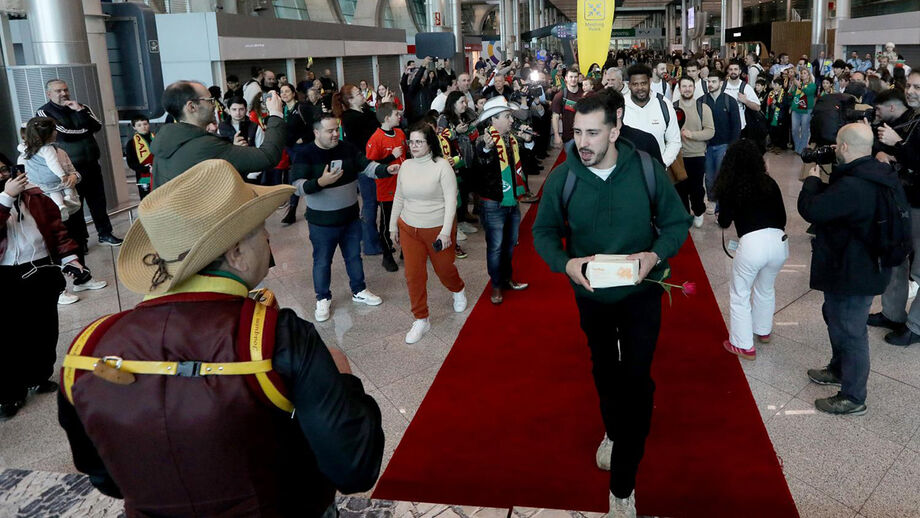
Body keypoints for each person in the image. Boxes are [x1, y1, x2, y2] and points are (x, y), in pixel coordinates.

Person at [57, 160, 384, 515]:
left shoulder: (87, 350)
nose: (270, 237)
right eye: (260, 230)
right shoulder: (274, 336)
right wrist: (345, 383)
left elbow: (106, 479)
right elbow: (354, 467)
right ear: (237, 254)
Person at [532, 91, 691, 518]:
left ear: (615, 130)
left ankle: (623, 485)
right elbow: (543, 233)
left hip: (642, 294)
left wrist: (654, 255)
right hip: (593, 298)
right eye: (577, 132)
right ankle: (614, 429)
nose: (583, 141)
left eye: (593, 132)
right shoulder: (565, 177)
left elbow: (676, 223)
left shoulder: (644, 169)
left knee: (637, 379)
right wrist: (567, 264)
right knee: (605, 369)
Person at [798, 123, 901, 415]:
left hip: (857, 271)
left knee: (852, 329)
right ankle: (838, 368)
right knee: (834, 315)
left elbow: (812, 209)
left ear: (843, 147)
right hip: (856, 263)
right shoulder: (875, 172)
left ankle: (854, 397)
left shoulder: (854, 186)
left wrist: (812, 180)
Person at [0, 165, 99, 419]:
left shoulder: (36, 196)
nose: (4, 175)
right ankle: (10, 393)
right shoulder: (7, 199)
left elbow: (58, 232)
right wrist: (6, 199)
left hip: (42, 269)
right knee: (10, 338)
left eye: (4, 169)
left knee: (45, 327)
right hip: (7, 276)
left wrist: (71, 260)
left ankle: (39, 375)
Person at [291, 114, 397, 322]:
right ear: (316, 133)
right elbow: (296, 187)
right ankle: (322, 297)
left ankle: (359, 289)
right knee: (322, 261)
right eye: (329, 131)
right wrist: (320, 182)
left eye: (336, 129)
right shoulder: (305, 153)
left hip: (350, 218)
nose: (334, 135)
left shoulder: (347, 147)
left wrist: (386, 169)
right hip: (322, 223)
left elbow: (367, 166)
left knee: (353, 256)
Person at [389, 124, 467, 343]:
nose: (413, 146)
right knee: (413, 275)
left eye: (418, 142)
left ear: (430, 144)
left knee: (444, 270)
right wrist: (393, 225)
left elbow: (451, 201)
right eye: (411, 142)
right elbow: (399, 197)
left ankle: (458, 288)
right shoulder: (405, 166)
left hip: (437, 229)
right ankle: (421, 319)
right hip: (409, 228)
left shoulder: (442, 166)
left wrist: (445, 233)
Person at [714, 140, 788, 360]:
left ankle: (743, 344)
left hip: (752, 244)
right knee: (766, 288)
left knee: (740, 293)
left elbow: (725, 221)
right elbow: (783, 217)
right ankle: (763, 331)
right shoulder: (769, 182)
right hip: (779, 243)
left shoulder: (731, 185)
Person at [36, 79, 122, 248]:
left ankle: (105, 234)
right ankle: (80, 241)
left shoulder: (81, 107)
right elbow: (62, 134)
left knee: (98, 202)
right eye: (59, 91)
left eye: (65, 90)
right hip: (71, 168)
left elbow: (97, 125)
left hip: (91, 163)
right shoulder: (44, 112)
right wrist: (85, 129)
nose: (63, 94)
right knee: (75, 206)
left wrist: (80, 111)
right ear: (49, 94)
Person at [151, 81, 287, 187]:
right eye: (210, 101)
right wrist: (276, 114)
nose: (214, 106)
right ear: (192, 107)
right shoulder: (205, 145)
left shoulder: (164, 144)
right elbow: (268, 156)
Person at [867, 78, 920, 346]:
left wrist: (898, 146)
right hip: (904, 198)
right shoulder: (911, 117)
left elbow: (910, 154)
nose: (910, 91)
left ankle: (917, 326)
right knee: (896, 257)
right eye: (909, 86)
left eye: (918, 88)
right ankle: (893, 313)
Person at [474, 97, 531, 304]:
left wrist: (529, 140)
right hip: (493, 201)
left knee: (509, 244)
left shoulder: (511, 138)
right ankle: (496, 285)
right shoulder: (483, 140)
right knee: (496, 247)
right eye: (507, 116)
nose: (511, 120)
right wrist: (487, 150)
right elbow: (480, 163)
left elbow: (522, 162)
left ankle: (507, 278)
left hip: (512, 200)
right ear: (493, 119)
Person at [336, 83, 384, 257]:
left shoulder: (364, 111)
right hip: (364, 165)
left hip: (372, 162)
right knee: (370, 203)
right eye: (358, 93)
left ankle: (370, 237)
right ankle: (370, 244)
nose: (363, 95)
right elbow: (372, 132)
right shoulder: (350, 117)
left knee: (373, 203)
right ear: (350, 100)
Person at [364, 102, 406, 272]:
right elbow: (370, 166)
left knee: (406, 220)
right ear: (387, 118)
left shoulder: (401, 132)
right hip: (386, 187)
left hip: (403, 185)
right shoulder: (376, 139)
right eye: (397, 114)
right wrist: (390, 157)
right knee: (388, 224)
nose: (400, 116)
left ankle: (406, 250)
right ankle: (387, 255)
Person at [18, 117, 82, 219]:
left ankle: (63, 205)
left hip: (68, 207)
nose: (56, 132)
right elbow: (24, 182)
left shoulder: (60, 152)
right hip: (44, 206)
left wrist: (75, 176)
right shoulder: (25, 158)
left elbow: (73, 171)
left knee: (58, 192)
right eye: (54, 130)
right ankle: (64, 203)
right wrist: (62, 176)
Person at [674, 76, 714, 227]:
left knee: (696, 188)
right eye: (684, 86)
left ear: (694, 88)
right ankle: (684, 215)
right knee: (680, 189)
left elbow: (710, 132)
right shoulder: (672, 108)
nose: (687, 89)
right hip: (678, 157)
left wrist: (692, 135)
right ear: (679, 89)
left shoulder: (703, 108)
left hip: (697, 155)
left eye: (690, 86)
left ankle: (698, 211)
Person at [623, 64, 681, 168]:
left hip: (658, 170)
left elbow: (674, 141)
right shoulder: (620, 107)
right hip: (628, 171)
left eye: (643, 83)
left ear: (650, 82)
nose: (640, 88)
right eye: (635, 84)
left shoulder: (664, 104)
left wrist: (661, 164)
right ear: (629, 85)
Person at [701, 70, 742, 210]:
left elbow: (736, 126)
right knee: (709, 178)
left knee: (722, 176)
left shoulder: (729, 101)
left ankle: (721, 205)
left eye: (713, 82)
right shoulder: (701, 101)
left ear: (721, 83)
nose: (710, 84)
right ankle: (712, 201)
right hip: (706, 146)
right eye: (708, 82)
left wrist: (731, 147)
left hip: (723, 146)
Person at [551, 67, 587, 147]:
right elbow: (555, 116)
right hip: (568, 138)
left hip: (584, 136)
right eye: (571, 77)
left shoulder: (584, 94)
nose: (573, 79)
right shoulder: (560, 96)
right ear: (566, 78)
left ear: (578, 78)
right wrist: (556, 135)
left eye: (575, 77)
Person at [124, 115, 155, 199]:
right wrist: (147, 169)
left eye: (145, 124)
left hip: (160, 174)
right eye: (139, 125)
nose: (143, 127)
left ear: (149, 124)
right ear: (134, 127)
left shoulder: (157, 138)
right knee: (147, 200)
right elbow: (131, 163)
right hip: (144, 176)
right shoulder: (131, 143)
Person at [790, 68, 817, 154]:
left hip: (807, 110)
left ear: (809, 75)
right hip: (796, 109)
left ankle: (801, 149)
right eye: (801, 73)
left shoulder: (812, 85)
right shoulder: (799, 84)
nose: (802, 75)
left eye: (805, 73)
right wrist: (793, 86)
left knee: (805, 129)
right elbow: (793, 95)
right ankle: (798, 147)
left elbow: (808, 92)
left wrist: (800, 86)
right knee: (794, 129)